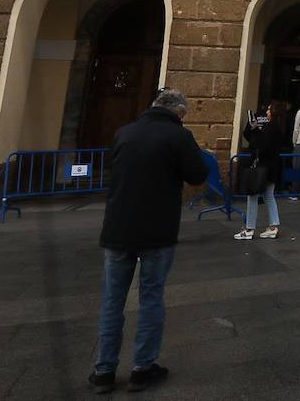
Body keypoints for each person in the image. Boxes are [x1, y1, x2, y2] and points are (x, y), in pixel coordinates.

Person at [89, 88, 207, 395]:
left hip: (117, 228)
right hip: (157, 230)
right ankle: (142, 367)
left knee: (112, 300)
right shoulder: (179, 136)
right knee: (151, 297)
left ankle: (103, 370)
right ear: (179, 113)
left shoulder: (123, 132)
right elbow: (197, 175)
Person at [237, 99, 287, 240]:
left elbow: (261, 146)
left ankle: (249, 228)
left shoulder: (270, 128)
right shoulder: (278, 127)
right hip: (273, 166)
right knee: (268, 196)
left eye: (269, 109)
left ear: (273, 112)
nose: (266, 112)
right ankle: (273, 226)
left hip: (264, 166)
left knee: (252, 195)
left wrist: (254, 131)